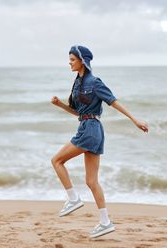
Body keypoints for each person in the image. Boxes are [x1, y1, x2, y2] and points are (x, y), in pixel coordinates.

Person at [51, 45, 149, 238]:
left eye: (72, 59)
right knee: (91, 181)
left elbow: (113, 101)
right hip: (88, 127)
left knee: (56, 161)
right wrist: (60, 105)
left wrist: (134, 119)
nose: (69, 63)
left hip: (91, 130)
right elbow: (79, 113)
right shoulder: (77, 84)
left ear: (82, 61)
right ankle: (105, 222)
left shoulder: (94, 82)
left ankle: (73, 198)